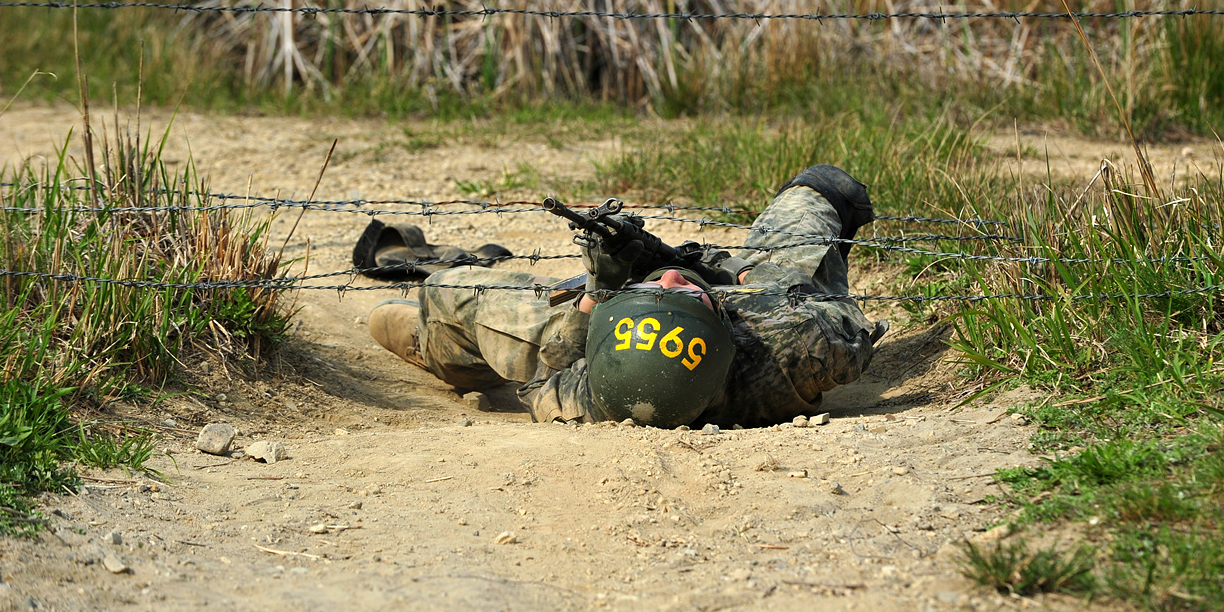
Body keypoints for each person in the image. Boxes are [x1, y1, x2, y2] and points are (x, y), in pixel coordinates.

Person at [367, 165, 887, 428]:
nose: (667, 281)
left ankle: (441, 350)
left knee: (445, 292)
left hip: (624, 320)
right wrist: (747, 283)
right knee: (825, 189)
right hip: (763, 291)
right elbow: (848, 324)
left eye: (659, 286)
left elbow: (554, 366)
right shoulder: (792, 346)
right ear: (725, 327)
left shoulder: (593, 393)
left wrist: (603, 288)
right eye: (681, 291)